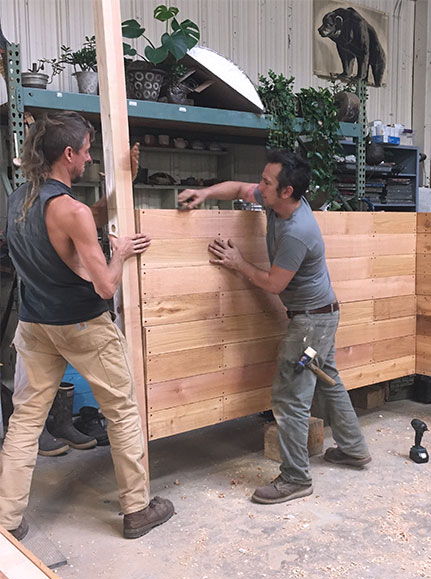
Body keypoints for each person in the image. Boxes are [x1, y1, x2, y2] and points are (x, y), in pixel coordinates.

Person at [0, 111, 174, 540]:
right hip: (81, 324)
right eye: (87, 151)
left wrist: (124, 181)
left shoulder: (18, 198)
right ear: (69, 154)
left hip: (35, 325)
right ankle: (137, 510)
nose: (90, 158)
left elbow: (83, 219)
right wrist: (122, 252)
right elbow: (105, 285)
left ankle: (6, 521)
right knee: (122, 412)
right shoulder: (69, 210)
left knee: (25, 422)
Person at [178, 149, 371, 505]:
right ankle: (354, 449)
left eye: (267, 182)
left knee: (290, 397)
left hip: (311, 325)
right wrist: (204, 194)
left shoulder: (298, 232)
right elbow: (238, 188)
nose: (259, 186)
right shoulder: (278, 202)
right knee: (328, 379)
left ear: (286, 192)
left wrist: (238, 262)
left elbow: (273, 284)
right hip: (321, 318)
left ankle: (296, 479)